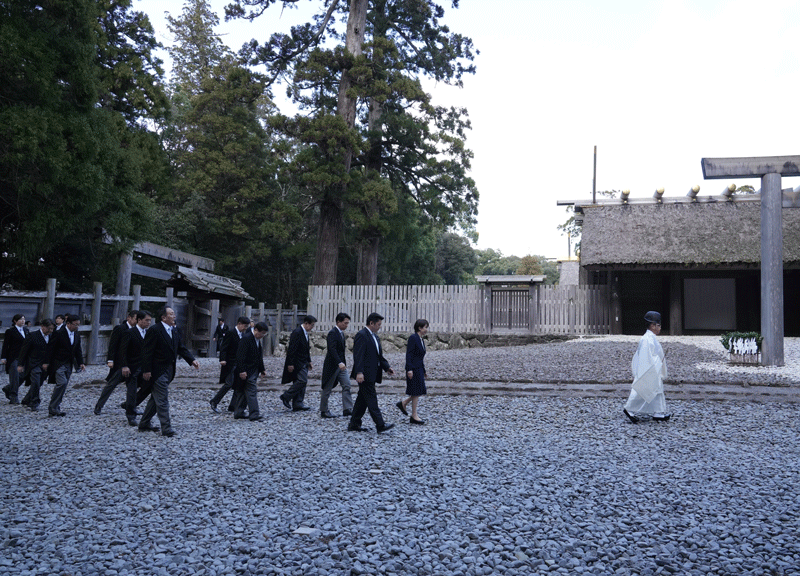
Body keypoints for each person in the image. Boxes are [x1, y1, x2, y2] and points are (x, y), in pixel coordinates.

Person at [139, 307, 199, 437]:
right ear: (163, 317)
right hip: (157, 370)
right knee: (162, 399)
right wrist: (146, 370)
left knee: (156, 399)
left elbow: (180, 348)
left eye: (174, 314)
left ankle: (144, 423)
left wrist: (191, 360)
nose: (174, 316)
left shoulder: (174, 330)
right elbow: (146, 352)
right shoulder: (155, 330)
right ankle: (166, 428)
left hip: (169, 370)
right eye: (171, 314)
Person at [347, 312, 395, 434]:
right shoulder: (362, 335)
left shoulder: (375, 336)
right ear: (371, 323)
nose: (380, 326)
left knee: (362, 400)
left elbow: (378, 356)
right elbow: (358, 355)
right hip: (365, 374)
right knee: (372, 399)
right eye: (378, 324)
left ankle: (354, 423)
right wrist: (359, 372)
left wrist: (386, 367)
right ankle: (380, 424)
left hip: (372, 373)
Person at [624, 311, 670, 423]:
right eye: (658, 325)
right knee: (641, 389)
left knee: (657, 390)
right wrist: (657, 364)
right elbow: (646, 356)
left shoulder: (651, 337)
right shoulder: (647, 339)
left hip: (654, 368)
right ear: (653, 325)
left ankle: (658, 412)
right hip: (649, 369)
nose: (660, 328)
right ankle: (629, 409)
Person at [94, 310, 138, 414]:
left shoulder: (137, 330)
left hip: (132, 363)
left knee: (132, 388)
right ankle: (99, 406)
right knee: (111, 385)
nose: (136, 321)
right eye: (136, 319)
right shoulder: (120, 328)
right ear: (129, 318)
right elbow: (113, 345)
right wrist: (110, 360)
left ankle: (131, 407)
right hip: (119, 363)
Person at [44, 314, 85, 417]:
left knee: (64, 385)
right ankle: (52, 407)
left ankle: (56, 407)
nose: (77, 327)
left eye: (78, 325)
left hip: (69, 364)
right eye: (75, 325)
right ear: (68, 323)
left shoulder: (76, 334)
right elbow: (50, 349)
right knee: (62, 383)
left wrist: (80, 363)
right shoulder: (58, 333)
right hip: (58, 363)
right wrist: (46, 362)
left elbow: (78, 350)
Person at [209, 316, 250, 413]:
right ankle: (214, 401)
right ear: (239, 324)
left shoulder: (243, 335)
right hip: (230, 362)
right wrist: (222, 359)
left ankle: (233, 406)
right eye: (244, 326)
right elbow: (224, 346)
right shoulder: (231, 333)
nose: (245, 328)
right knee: (229, 383)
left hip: (239, 363)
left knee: (238, 384)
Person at [119, 310, 152, 426]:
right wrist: (124, 365)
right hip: (132, 367)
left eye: (150, 321)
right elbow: (122, 351)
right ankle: (131, 415)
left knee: (148, 388)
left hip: (144, 368)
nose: (148, 323)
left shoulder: (148, 333)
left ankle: (130, 404)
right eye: (146, 320)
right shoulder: (130, 332)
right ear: (139, 320)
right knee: (131, 391)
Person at [231, 321, 268, 421]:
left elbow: (259, 356)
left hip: (253, 369)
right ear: (256, 330)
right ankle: (254, 413)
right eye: (262, 333)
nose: (262, 335)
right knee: (251, 391)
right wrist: (242, 370)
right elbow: (240, 356)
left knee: (243, 391)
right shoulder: (246, 338)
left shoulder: (256, 339)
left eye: (264, 333)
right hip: (247, 369)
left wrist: (262, 369)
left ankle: (239, 412)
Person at [320, 313, 354, 419]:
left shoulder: (340, 333)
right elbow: (332, 349)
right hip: (333, 366)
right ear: (338, 322)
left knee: (347, 385)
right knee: (327, 388)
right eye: (345, 323)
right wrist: (339, 362)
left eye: (347, 323)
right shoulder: (332, 333)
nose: (346, 325)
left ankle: (347, 408)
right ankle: (324, 410)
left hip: (341, 365)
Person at [279, 315, 316, 412]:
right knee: (302, 381)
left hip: (303, 361)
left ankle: (298, 403)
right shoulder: (297, 332)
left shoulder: (304, 333)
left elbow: (306, 349)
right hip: (297, 361)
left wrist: (309, 361)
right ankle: (286, 396)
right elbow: (291, 349)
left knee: (300, 382)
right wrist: (290, 363)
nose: (312, 327)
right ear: (306, 323)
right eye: (312, 325)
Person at [18, 318, 55, 411]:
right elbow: (24, 351)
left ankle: (26, 399)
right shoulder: (32, 335)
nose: (50, 331)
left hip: (46, 364)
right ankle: (34, 402)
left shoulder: (52, 337)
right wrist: (20, 364)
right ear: (42, 326)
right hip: (34, 363)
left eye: (52, 329)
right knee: (36, 382)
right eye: (49, 328)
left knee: (39, 383)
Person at [397, 318, 428, 425]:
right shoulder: (413, 338)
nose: (426, 329)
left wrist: (424, 370)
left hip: (419, 368)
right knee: (416, 391)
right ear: (419, 327)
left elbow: (420, 357)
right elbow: (409, 354)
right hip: (413, 369)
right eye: (425, 327)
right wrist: (409, 369)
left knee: (419, 390)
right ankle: (414, 415)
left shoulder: (421, 339)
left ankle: (404, 403)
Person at [1, 314, 29, 404]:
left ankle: (8, 388)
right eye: (21, 319)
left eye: (24, 319)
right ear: (15, 321)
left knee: (23, 376)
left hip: (24, 357)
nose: (23, 321)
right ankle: (14, 396)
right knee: (15, 377)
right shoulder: (10, 331)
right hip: (13, 357)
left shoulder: (26, 330)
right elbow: (6, 345)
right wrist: (3, 357)